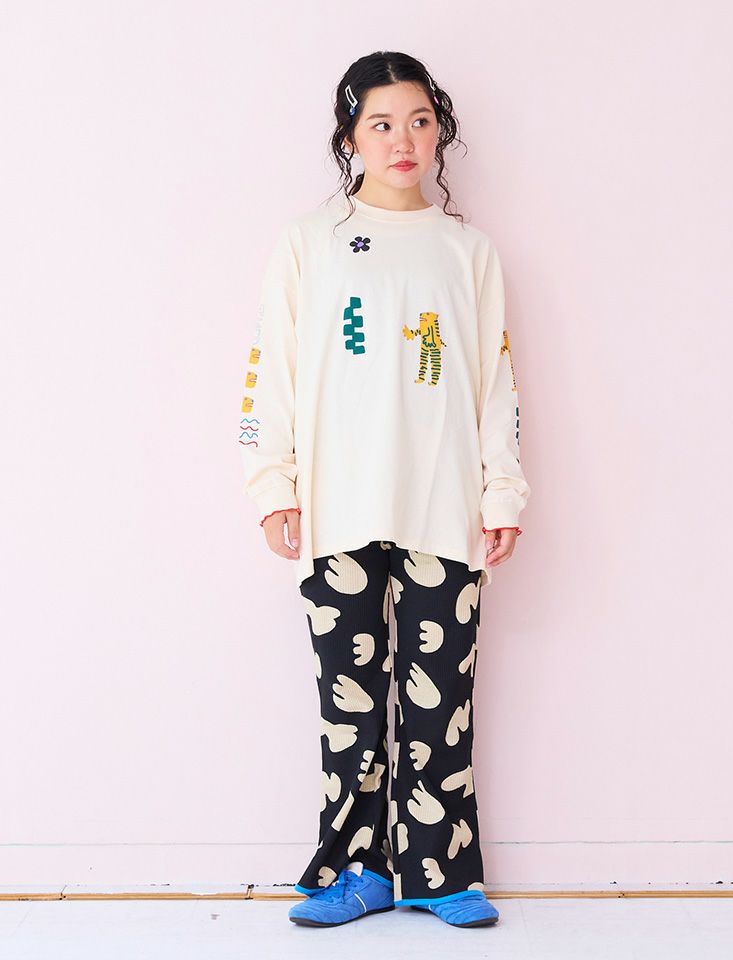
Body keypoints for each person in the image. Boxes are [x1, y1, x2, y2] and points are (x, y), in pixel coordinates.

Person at [237, 51, 531, 929]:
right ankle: (356, 871)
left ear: (439, 132)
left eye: (420, 121)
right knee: (351, 708)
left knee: (442, 702)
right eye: (382, 123)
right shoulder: (310, 242)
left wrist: (502, 492)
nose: (404, 140)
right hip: (338, 509)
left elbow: (495, 383)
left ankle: (440, 874)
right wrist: (273, 485)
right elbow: (272, 371)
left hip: (445, 507)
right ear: (350, 137)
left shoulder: (468, 251)